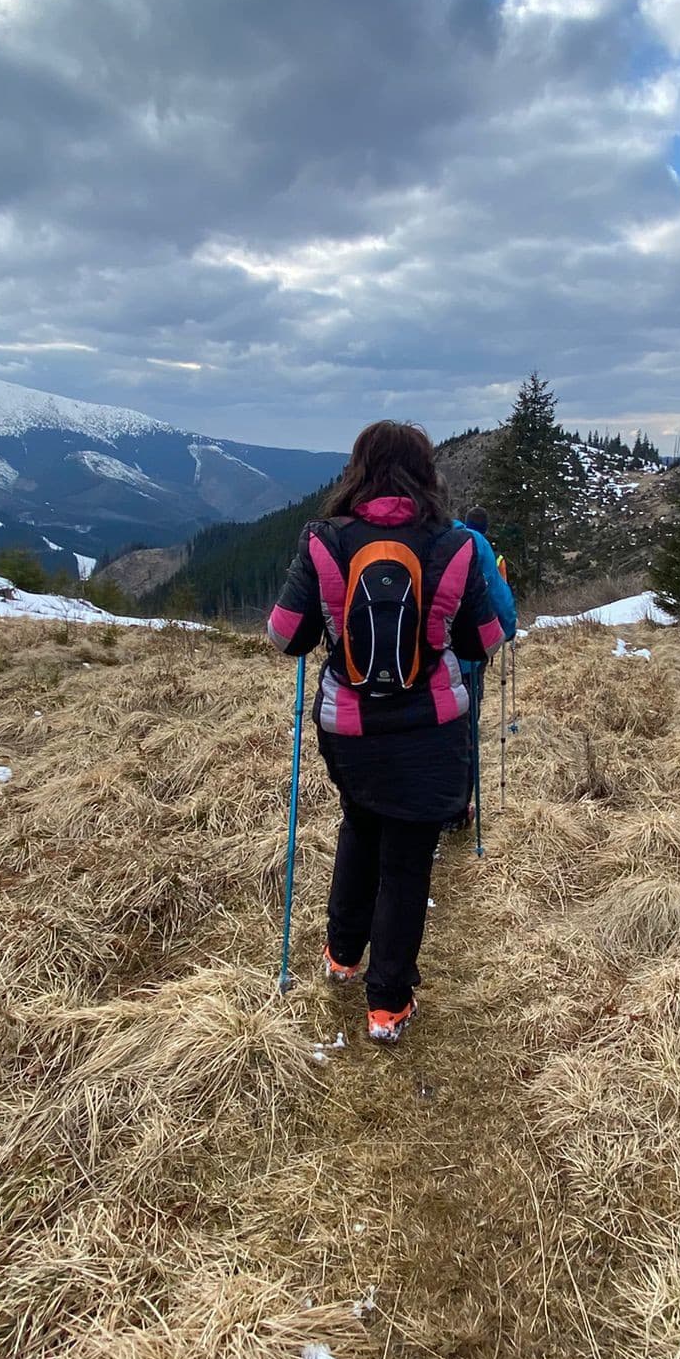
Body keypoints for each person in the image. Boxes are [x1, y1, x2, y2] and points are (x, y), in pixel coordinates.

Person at [267, 422, 504, 1043]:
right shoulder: (452, 545)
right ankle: (388, 1006)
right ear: (426, 473)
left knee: (360, 823)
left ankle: (341, 955)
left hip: (349, 728)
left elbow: (285, 634)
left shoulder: (324, 541)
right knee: (407, 861)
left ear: (358, 470)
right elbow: (485, 640)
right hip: (429, 728)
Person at [448, 505, 516, 831]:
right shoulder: (477, 545)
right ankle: (458, 811)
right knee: (464, 733)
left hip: (421, 659)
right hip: (466, 658)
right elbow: (499, 598)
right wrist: (508, 630)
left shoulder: (431, 535)